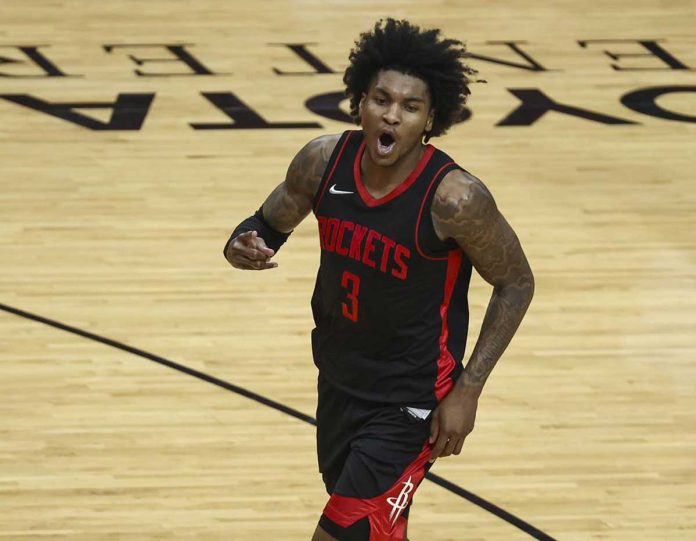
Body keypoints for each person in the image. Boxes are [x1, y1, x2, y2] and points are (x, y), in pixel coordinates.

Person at [224, 18, 534, 541]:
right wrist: (243, 243)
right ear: (359, 101)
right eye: (381, 100)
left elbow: (516, 283)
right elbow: (266, 226)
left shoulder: (454, 200)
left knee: (342, 533)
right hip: (340, 380)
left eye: (410, 107)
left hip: (412, 399)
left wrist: (468, 389)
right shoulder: (323, 162)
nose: (392, 115)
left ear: (430, 119)